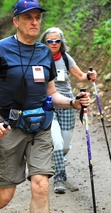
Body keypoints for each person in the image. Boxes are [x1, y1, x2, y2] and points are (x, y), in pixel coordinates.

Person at [0, 0, 90, 213]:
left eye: (37, 17)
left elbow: (51, 94)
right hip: (8, 127)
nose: (34, 21)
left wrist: (73, 104)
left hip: (40, 127)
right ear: (16, 21)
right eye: (28, 17)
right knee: (5, 194)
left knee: (41, 184)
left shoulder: (44, 52)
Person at [39, 27, 96, 194]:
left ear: (61, 42)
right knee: (56, 140)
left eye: (57, 41)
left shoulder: (65, 58)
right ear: (45, 42)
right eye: (50, 41)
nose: (54, 44)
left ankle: (52, 161)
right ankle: (59, 178)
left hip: (68, 102)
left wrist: (90, 75)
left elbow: (80, 76)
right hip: (48, 102)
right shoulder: (39, 57)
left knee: (64, 145)